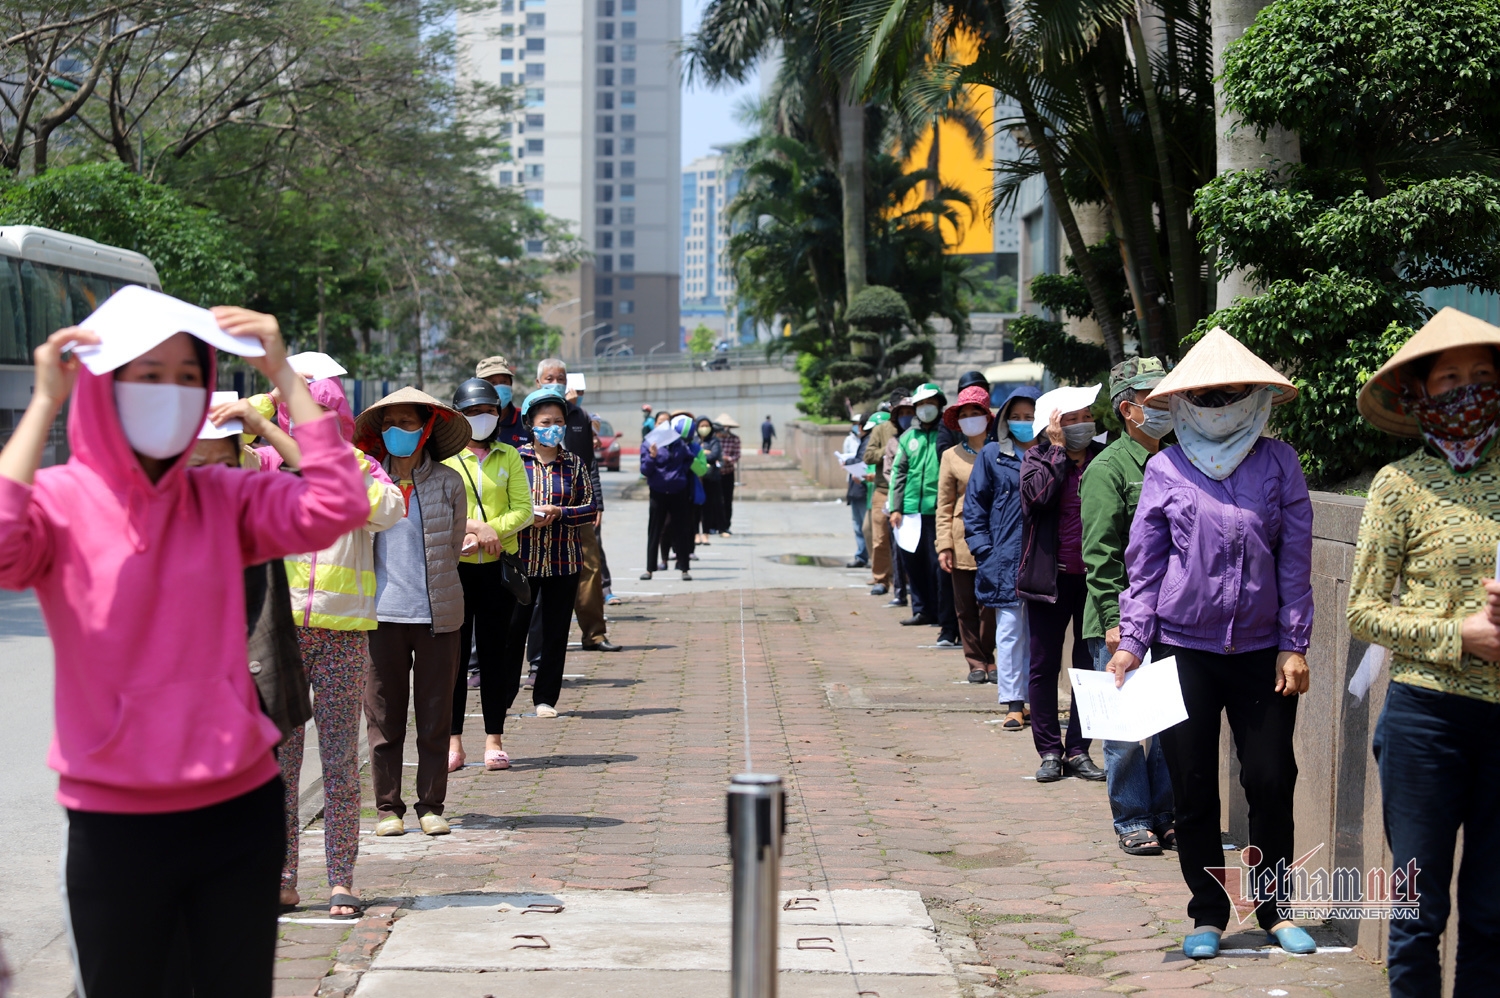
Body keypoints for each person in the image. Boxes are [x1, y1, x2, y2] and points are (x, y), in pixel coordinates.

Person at [0, 307, 368, 995]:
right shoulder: (59, 501)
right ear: (105, 387)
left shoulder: (222, 496)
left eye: (185, 377)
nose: (169, 392)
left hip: (237, 813)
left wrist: (282, 374)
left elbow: (337, 504)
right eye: (149, 376)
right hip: (115, 825)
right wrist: (46, 398)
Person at [1106, 327, 1313, 961]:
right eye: (1208, 393)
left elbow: (1295, 561)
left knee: (1271, 778)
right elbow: (1144, 565)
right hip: (1183, 647)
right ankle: (1207, 911)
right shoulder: (1165, 466)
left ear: (1254, 397)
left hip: (1261, 651)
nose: (1221, 402)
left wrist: (1293, 642)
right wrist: (1131, 643)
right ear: (1185, 403)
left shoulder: (1279, 462)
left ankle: (1276, 909)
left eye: (1232, 392)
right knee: (1193, 784)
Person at [1348, 308, 1500, 995]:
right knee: (1416, 910)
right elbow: (1361, 609)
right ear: (1420, 393)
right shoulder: (1397, 484)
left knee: (1495, 916)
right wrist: (1456, 636)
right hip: (1426, 720)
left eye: (1481, 376)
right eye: (1449, 379)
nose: (1466, 388)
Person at [221, 379, 406, 918]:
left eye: (322, 414)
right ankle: (280, 876)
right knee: (277, 761)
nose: (309, 423)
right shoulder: (263, 467)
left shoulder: (361, 470)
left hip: (342, 636)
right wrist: (261, 410)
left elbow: (387, 510)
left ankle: (341, 878)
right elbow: (214, 450)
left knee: (339, 760)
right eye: (299, 412)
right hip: (277, 632)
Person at [354, 388, 473, 839]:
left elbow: (452, 546)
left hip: (437, 616)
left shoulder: (448, 483)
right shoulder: (367, 480)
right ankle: (388, 808)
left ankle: (430, 805)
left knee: (435, 714)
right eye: (389, 424)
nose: (397, 432)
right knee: (383, 716)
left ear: (424, 430)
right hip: (380, 616)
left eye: (407, 423)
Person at [1079, 358, 1176, 856]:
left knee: (1166, 722)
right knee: (1123, 727)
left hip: (1170, 616)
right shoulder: (1107, 468)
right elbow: (1099, 551)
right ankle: (1133, 818)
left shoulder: (1176, 459)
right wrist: (1117, 622)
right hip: (1117, 620)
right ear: (1128, 408)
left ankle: (1166, 814)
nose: (1166, 408)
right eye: (1154, 401)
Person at [444, 379, 534, 773]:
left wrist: (492, 530)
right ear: (457, 415)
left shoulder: (508, 455)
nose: (482, 418)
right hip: (453, 571)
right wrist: (474, 529)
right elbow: (436, 508)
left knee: (496, 657)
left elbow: (525, 510)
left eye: (489, 411)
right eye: (473, 411)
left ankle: (494, 739)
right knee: (454, 659)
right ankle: (453, 742)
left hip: (498, 570)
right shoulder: (443, 457)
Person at [1020, 386, 1107, 784]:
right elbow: (1038, 498)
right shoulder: (1036, 459)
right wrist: (1057, 451)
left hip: (1093, 579)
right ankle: (1049, 751)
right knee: (1043, 666)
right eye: (1069, 419)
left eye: (1084, 416)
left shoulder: (1103, 461)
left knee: (1088, 666)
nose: (1080, 425)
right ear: (1051, 426)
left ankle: (1078, 749)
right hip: (1048, 579)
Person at [505, 387, 598, 718]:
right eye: (546, 421)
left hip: (564, 560)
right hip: (522, 560)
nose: (553, 427)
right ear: (530, 423)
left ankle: (545, 698)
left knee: (556, 633)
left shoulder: (574, 464)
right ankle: (503, 694)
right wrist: (527, 515)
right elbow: (502, 504)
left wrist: (560, 513)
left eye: (558, 421)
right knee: (513, 630)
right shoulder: (514, 459)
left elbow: (590, 508)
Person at [529, 359, 618, 655]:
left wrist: (598, 504)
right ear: (538, 382)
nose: (556, 382)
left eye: (561, 378)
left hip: (576, 509)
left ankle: (594, 633)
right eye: (549, 377)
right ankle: (536, 648)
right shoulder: (528, 416)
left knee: (590, 569)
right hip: (535, 514)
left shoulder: (579, 416)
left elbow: (590, 464)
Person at [965, 386, 1040, 729]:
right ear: (1006, 419)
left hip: (1043, 557)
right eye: (1018, 417)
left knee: (1039, 634)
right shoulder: (993, 455)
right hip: (1004, 558)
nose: (1024, 423)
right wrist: (984, 551)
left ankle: (1037, 701)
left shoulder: (1053, 453)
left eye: (1031, 417)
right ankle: (1013, 702)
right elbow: (975, 505)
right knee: (1009, 632)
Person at [937, 385, 995, 682]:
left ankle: (990, 655)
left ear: (987, 417)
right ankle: (975, 662)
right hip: (960, 540)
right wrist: (943, 544)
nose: (971, 419)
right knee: (965, 606)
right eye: (966, 414)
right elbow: (944, 504)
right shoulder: (951, 456)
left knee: (992, 606)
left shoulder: (1001, 451)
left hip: (996, 537)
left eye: (976, 413)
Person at [888, 383, 947, 628]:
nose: (925, 409)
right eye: (920, 404)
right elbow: (898, 474)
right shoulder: (908, 438)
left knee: (937, 565)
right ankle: (921, 610)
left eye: (930, 403)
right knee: (913, 562)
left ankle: (940, 612)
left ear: (939, 405)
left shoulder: (947, 434)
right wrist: (895, 508)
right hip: (910, 512)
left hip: (936, 510)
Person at [864, 391, 908, 599]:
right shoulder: (881, 429)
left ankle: (907, 581)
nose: (904, 414)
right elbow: (868, 455)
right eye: (899, 409)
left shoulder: (917, 430)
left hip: (909, 491)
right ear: (891, 408)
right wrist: (889, 451)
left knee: (908, 540)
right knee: (880, 539)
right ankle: (881, 579)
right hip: (883, 490)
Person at [937, 371, 999, 455]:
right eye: (964, 415)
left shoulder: (998, 425)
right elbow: (943, 450)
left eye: (975, 413)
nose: (975, 394)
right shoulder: (947, 425)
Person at [477, 355, 530, 448]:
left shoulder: (525, 420)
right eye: (492, 383)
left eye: (504, 382)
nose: (499, 387)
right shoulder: (472, 420)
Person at [842, 413, 870, 568]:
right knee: (858, 524)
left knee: (864, 525)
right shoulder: (852, 439)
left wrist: (849, 462)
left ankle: (866, 556)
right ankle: (862, 555)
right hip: (854, 484)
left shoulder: (868, 441)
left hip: (863, 486)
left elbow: (862, 461)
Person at [694, 415, 724, 539]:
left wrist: (700, 455)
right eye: (702, 426)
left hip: (710, 477)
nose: (704, 428)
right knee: (695, 507)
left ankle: (706, 532)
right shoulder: (694, 440)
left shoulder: (714, 441)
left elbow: (714, 456)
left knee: (708, 506)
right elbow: (691, 455)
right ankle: (696, 533)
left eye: (707, 426)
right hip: (696, 478)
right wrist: (704, 453)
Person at [714, 413, 741, 534]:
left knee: (727, 499)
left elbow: (737, 455)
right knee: (715, 500)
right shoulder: (714, 439)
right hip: (715, 473)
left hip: (728, 472)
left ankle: (725, 525)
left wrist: (728, 459)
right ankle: (714, 524)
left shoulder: (735, 439)